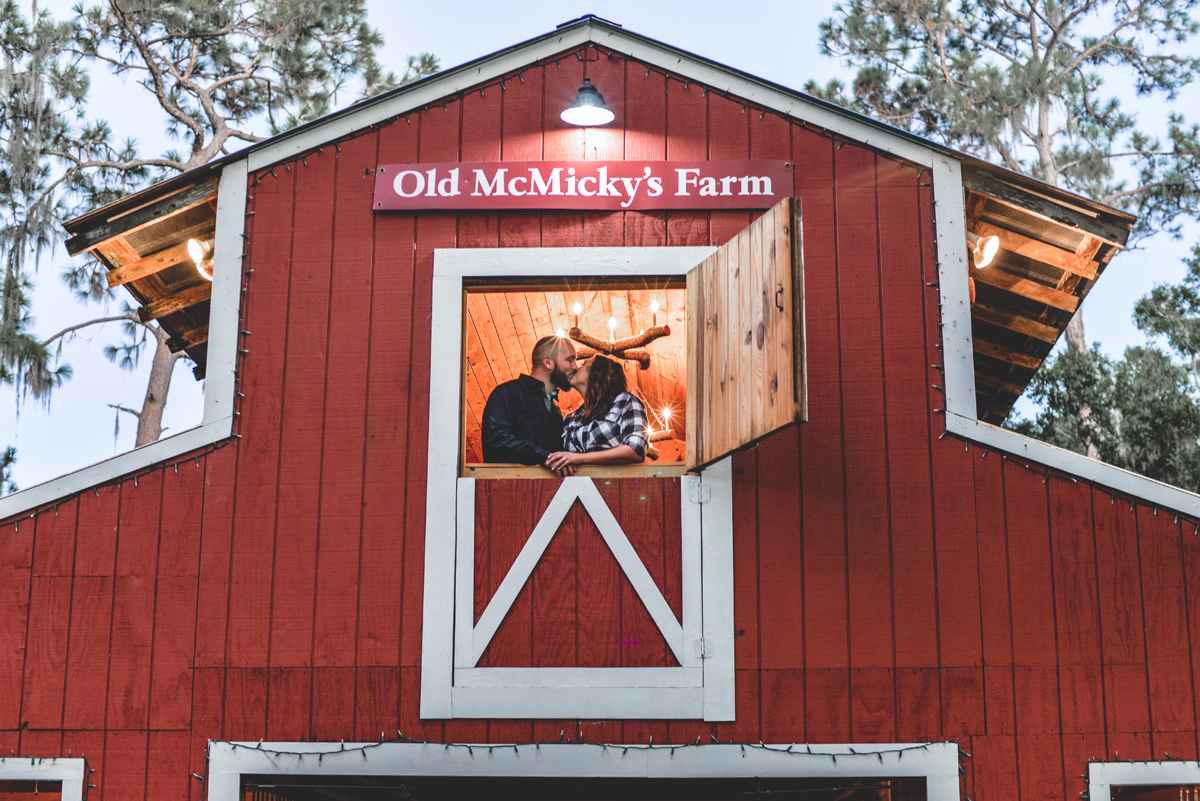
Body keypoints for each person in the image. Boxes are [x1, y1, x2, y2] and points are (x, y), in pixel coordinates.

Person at [481, 335, 578, 472]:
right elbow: (496, 439)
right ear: (548, 363)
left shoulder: (556, 411)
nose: (575, 367)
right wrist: (545, 457)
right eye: (570, 360)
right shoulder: (508, 392)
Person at [545, 355, 647, 473]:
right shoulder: (570, 420)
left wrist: (579, 458)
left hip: (615, 486)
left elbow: (635, 450)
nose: (575, 368)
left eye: (584, 364)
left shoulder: (625, 402)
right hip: (577, 488)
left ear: (597, 372)